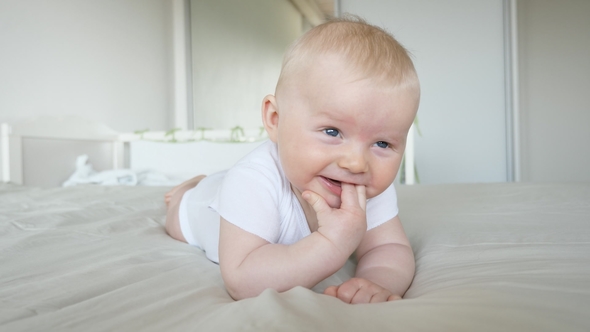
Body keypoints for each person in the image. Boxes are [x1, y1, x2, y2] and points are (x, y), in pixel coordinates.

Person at [164, 16, 420, 304]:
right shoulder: (252, 181)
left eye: (382, 143)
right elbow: (242, 280)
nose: (356, 163)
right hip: (202, 207)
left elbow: (389, 247)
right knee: (176, 219)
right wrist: (330, 245)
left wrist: (377, 282)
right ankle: (189, 188)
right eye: (332, 132)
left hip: (232, 187)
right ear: (275, 119)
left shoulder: (366, 186)